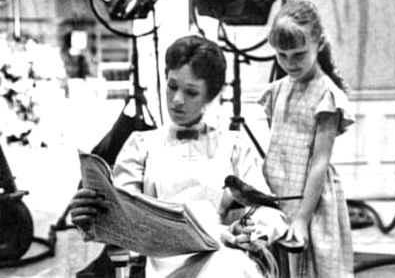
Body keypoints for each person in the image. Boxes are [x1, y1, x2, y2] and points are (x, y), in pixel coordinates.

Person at [70, 35, 289, 278]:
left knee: (229, 267)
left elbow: (269, 210)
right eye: (172, 86)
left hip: (221, 253)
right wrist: (89, 214)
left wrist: (253, 232)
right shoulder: (141, 144)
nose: (177, 100)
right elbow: (120, 214)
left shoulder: (233, 145)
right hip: (164, 267)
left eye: (191, 92)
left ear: (210, 95)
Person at [258, 0, 355, 278]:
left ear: (319, 44)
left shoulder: (326, 94)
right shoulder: (276, 92)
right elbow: (276, 151)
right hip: (278, 197)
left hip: (310, 201)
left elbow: (319, 161)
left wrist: (302, 217)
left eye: (299, 54)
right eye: (282, 55)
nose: (290, 63)